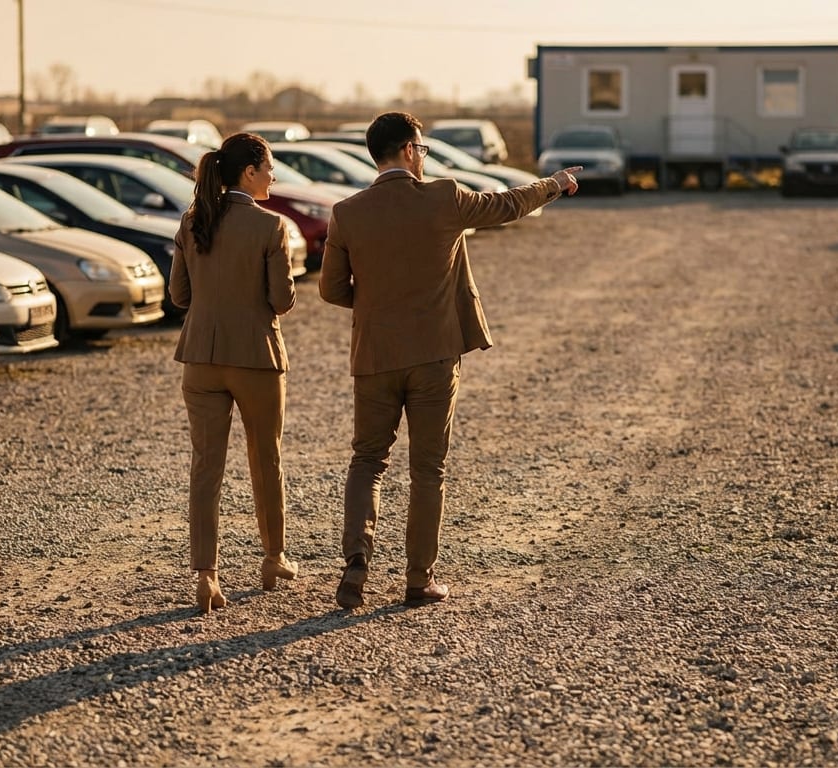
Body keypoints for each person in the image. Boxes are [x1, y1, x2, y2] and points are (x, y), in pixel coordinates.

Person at [318, 111, 581, 609]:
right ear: (410, 150)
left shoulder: (347, 211)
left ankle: (356, 564)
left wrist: (378, 307)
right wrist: (555, 183)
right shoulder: (443, 197)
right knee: (428, 468)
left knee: (368, 460)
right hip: (435, 354)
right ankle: (419, 580)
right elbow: (506, 205)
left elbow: (332, 290)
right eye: (424, 149)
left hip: (374, 353)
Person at [170, 132, 298, 614]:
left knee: (206, 468)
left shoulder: (191, 221)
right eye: (270, 167)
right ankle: (273, 557)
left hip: (199, 358)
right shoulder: (270, 226)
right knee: (266, 458)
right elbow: (281, 300)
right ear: (249, 172)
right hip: (256, 358)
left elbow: (180, 297)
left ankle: (206, 576)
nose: (274, 176)